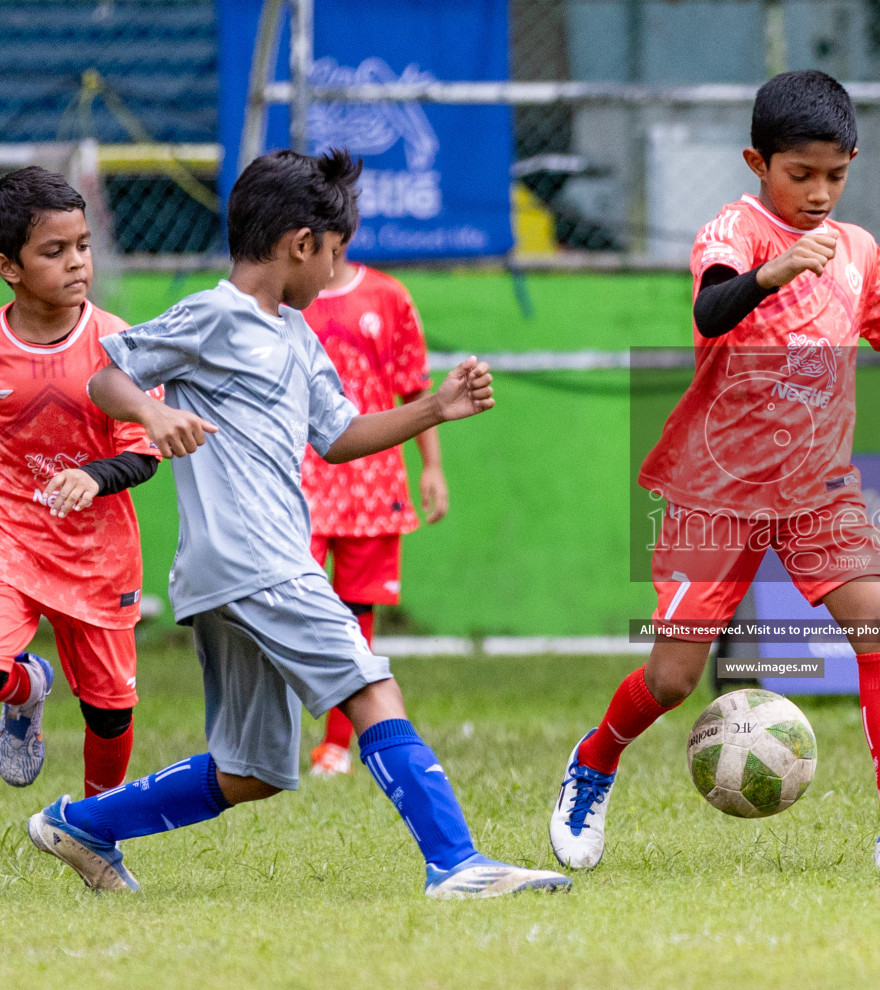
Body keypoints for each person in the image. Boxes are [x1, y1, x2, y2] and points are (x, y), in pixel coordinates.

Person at [27, 148, 571, 899]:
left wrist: (434, 410)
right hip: (257, 559)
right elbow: (105, 375)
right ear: (300, 244)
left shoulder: (296, 334)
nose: (338, 270)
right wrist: (153, 411)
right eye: (337, 252)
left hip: (239, 568)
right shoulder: (215, 314)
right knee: (373, 688)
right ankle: (457, 863)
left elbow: (338, 435)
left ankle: (83, 824)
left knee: (252, 772)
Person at [548, 70, 880, 872]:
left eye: (835, 176)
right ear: (757, 162)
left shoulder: (858, 250)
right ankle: (595, 761)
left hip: (817, 486)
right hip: (715, 489)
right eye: (799, 174)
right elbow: (710, 310)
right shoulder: (732, 233)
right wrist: (772, 272)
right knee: (672, 679)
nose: (817, 193)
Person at [0, 166, 162, 798]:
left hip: (98, 557)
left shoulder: (116, 342)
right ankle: (26, 688)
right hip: (12, 541)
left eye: (83, 246)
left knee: (110, 710)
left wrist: (95, 477)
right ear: (10, 266)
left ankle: (96, 827)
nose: (76, 263)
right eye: (54, 251)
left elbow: (143, 452)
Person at [300, 249, 445, 777]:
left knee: (357, 614)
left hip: (374, 485)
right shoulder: (283, 300)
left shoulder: (389, 297)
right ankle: (265, 737)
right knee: (289, 606)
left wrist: (432, 467)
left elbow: (416, 388)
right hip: (299, 485)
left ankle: (336, 745)